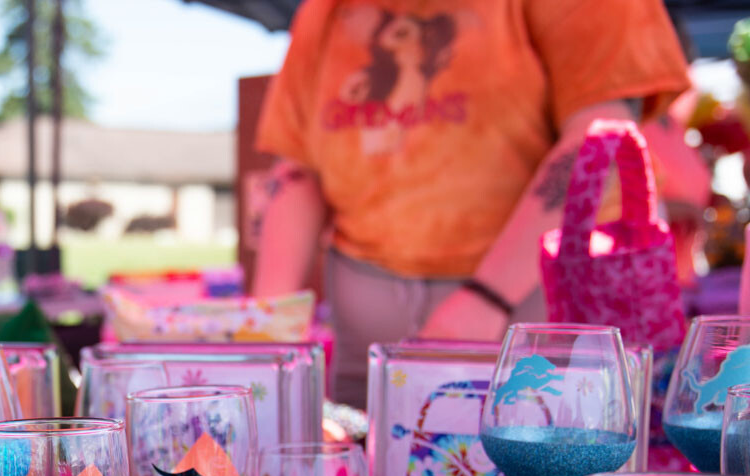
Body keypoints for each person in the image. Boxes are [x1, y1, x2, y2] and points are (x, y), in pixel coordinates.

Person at [251, 0, 691, 407]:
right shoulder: (323, 11)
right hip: (367, 330)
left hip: (532, 314)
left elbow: (599, 138)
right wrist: (269, 331)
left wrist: (486, 300)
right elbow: (297, 170)